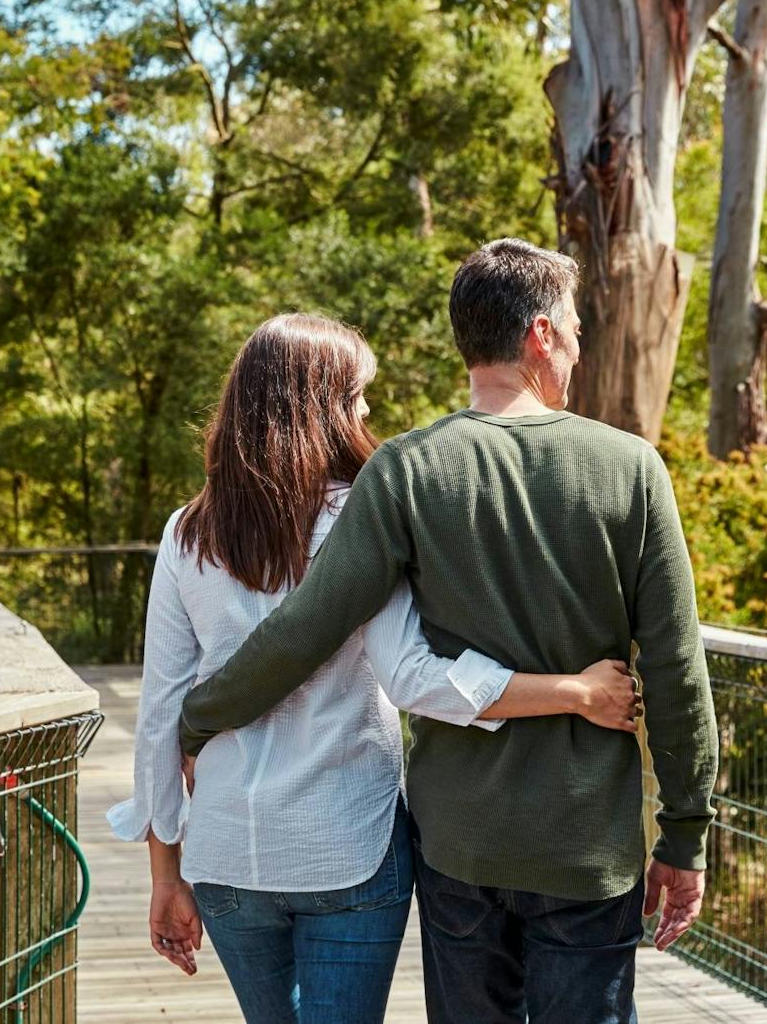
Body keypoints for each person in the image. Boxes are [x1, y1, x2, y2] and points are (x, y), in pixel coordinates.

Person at [180, 239, 719, 1024]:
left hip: (458, 849)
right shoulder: (631, 468)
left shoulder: (406, 469)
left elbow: (307, 627)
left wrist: (201, 716)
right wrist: (685, 834)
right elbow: (675, 665)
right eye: (572, 327)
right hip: (584, 849)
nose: (578, 344)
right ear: (539, 334)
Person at [108, 311, 643, 1024]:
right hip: (349, 849)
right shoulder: (368, 514)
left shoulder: (188, 533)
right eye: (358, 393)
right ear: (322, 405)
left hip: (224, 855)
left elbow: (159, 715)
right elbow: (413, 678)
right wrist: (572, 693)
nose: (367, 410)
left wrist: (164, 874)